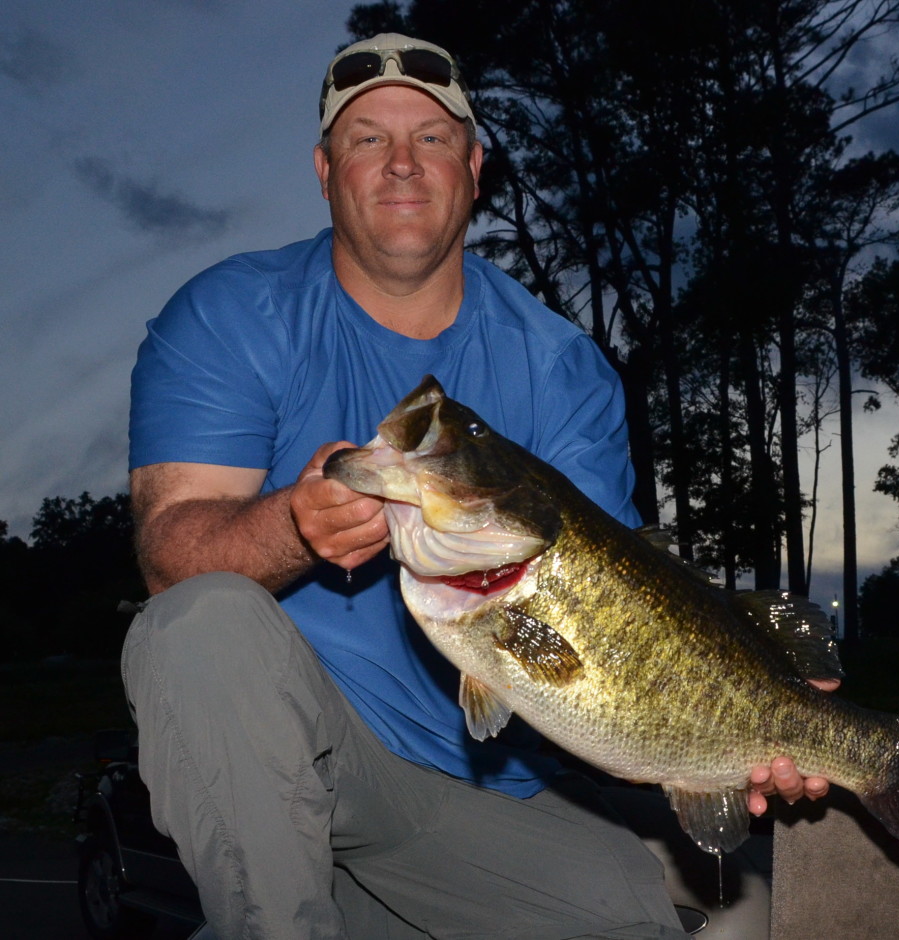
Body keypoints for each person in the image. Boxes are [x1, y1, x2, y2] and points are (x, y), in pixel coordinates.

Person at [123, 32, 835, 939]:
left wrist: (739, 726)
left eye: (430, 136)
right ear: (324, 168)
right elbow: (170, 554)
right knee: (197, 626)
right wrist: (293, 528)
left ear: (474, 163)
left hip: (480, 782)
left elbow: (625, 636)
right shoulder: (230, 316)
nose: (401, 164)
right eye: (368, 138)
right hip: (295, 760)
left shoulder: (563, 369)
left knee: (650, 924)